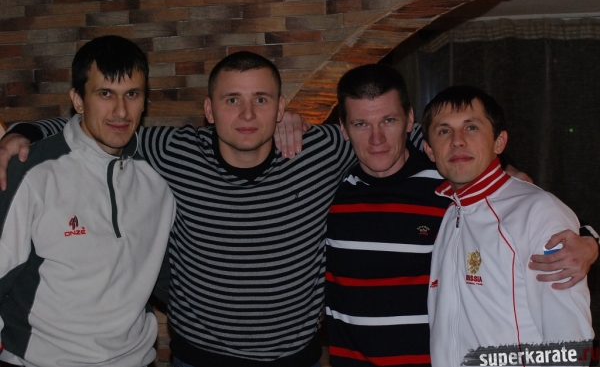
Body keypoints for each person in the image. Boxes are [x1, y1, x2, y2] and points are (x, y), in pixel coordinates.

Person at [0, 55, 596, 366]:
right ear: (208, 110)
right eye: (233, 100)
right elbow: (104, 127)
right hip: (200, 358)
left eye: (262, 99)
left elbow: (449, 144)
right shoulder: (175, 149)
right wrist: (28, 131)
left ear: (281, 105)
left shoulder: (379, 162)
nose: (248, 114)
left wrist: (574, 226)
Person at [0, 35, 176, 366]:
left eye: (132, 94)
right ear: (78, 100)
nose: (121, 111)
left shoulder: (157, 180)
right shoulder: (32, 172)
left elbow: (172, 283)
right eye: (105, 94)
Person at [422, 86, 594, 367]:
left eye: (471, 127)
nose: (457, 141)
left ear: (499, 142)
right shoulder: (452, 213)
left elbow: (570, 344)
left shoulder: (537, 211)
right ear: (429, 150)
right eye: (444, 131)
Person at [324, 64, 449, 366]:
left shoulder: (448, 188)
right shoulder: (328, 191)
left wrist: (573, 241)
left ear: (409, 120)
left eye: (388, 120)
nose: (376, 138)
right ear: (343, 129)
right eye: (361, 124)